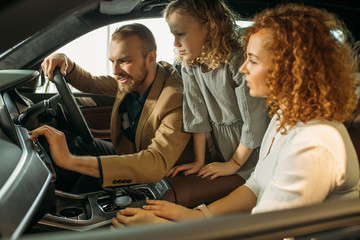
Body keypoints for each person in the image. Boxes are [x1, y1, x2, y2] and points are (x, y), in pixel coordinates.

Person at [112, 4, 360, 226]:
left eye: (252, 60)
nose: (242, 68)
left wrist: (168, 231)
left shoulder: (314, 143)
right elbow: (255, 185)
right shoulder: (284, 115)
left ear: (289, 68)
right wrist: (197, 215)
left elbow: (266, 230)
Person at [30, 23, 193, 192]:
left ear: (151, 58)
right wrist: (65, 62)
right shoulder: (134, 79)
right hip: (130, 153)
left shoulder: (175, 99)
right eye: (113, 61)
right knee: (78, 144)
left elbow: (155, 164)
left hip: (161, 178)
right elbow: (92, 83)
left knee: (86, 182)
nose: (116, 70)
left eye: (124, 61)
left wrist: (68, 160)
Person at [164, 0, 269, 180]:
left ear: (209, 27)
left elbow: (254, 123)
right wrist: (199, 161)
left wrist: (233, 164)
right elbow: (197, 116)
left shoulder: (237, 61)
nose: (175, 42)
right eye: (173, 35)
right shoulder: (190, 65)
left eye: (180, 34)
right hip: (223, 150)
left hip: (252, 151)